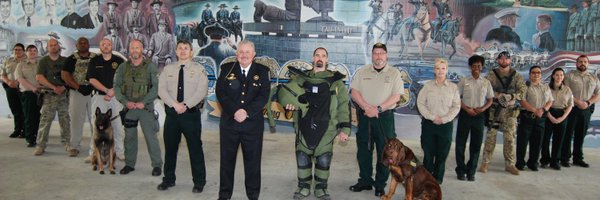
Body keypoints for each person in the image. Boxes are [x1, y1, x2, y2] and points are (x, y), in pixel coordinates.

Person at [278, 47, 350, 200]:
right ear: (312, 58)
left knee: (324, 159)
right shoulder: (300, 79)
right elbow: (287, 97)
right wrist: (288, 106)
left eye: (323, 56)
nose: (320, 58)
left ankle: (321, 188)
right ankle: (303, 187)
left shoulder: (336, 83)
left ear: (327, 60)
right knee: (302, 157)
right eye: (317, 55)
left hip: (327, 129)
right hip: (303, 127)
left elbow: (343, 105)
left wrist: (345, 128)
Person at [215, 40, 270, 200]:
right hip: (229, 124)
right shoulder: (226, 69)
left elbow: (263, 95)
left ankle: (253, 195)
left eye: (247, 52)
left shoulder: (262, 70)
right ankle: (224, 194)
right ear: (236, 54)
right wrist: (234, 111)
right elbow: (221, 92)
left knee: (253, 163)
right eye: (241, 52)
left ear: (253, 55)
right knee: (226, 162)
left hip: (252, 125)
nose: (244, 55)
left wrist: (246, 112)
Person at [349, 43, 404, 197]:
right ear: (372, 55)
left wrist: (378, 109)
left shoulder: (394, 73)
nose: (378, 56)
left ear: (386, 55)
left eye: (381, 53)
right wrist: (367, 107)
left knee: (385, 152)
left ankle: (380, 184)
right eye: (375, 53)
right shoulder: (362, 71)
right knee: (364, 151)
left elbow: (397, 96)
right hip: (365, 116)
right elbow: (354, 92)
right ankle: (365, 181)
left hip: (384, 118)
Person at [156, 40, 209, 193]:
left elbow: (201, 91)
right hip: (172, 115)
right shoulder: (168, 69)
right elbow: (161, 90)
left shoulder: (199, 70)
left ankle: (199, 182)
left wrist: (185, 105)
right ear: (176, 51)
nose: (183, 51)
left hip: (191, 116)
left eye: (186, 48)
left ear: (191, 52)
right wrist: (175, 104)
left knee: (195, 149)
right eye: (180, 48)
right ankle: (168, 179)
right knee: (170, 148)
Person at [113, 39, 163, 176]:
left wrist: (144, 102)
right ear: (129, 50)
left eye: (137, 48)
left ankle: (157, 165)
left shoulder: (150, 67)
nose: (135, 50)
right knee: (129, 137)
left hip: (145, 108)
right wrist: (124, 102)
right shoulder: (123, 67)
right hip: (129, 108)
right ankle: (129, 164)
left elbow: (155, 88)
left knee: (150, 137)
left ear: (142, 50)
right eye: (132, 48)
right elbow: (116, 86)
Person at [479, 51, 526, 175]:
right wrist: (497, 95)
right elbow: (485, 88)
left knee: (510, 139)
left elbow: (522, 91)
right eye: (501, 59)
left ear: (510, 61)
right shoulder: (491, 74)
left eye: (506, 59)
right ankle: (485, 162)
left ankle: (509, 164)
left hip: (510, 112)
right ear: (498, 61)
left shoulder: (516, 76)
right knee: (490, 138)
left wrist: (511, 96)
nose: (504, 61)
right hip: (494, 111)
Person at [416, 58, 460, 184]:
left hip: (445, 125)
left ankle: (437, 180)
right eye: (438, 68)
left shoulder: (453, 87)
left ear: (447, 70)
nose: (440, 71)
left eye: (443, 68)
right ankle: (426, 179)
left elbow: (456, 106)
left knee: (442, 155)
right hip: (429, 124)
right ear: (434, 70)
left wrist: (444, 119)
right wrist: (432, 117)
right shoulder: (427, 86)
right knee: (428, 154)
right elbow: (420, 103)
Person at [454, 55, 494, 181]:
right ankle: (461, 170)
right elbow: (456, 97)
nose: (476, 68)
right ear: (470, 67)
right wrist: (466, 108)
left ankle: (471, 171)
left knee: (476, 145)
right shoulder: (464, 81)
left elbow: (490, 99)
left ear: (482, 67)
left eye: (479, 66)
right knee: (460, 144)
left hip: (479, 116)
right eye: (474, 66)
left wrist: (482, 109)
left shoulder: (486, 82)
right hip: (465, 114)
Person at [86, 38, 125, 163]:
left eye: (108, 44)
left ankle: (119, 152)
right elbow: (91, 79)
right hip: (99, 97)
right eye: (103, 44)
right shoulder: (94, 60)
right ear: (100, 46)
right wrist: (106, 90)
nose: (106, 46)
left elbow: (124, 79)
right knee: (96, 126)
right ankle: (93, 153)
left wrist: (113, 91)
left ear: (112, 46)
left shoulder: (119, 61)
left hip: (115, 97)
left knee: (117, 126)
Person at [34, 38, 70, 156]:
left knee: (65, 120)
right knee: (45, 121)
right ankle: (41, 145)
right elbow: (39, 77)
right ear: (47, 48)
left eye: (55, 45)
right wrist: (54, 87)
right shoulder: (43, 61)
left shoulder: (65, 61)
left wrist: (63, 87)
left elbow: (71, 76)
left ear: (59, 47)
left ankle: (67, 143)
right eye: (51, 45)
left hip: (64, 95)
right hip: (49, 95)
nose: (54, 47)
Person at [562, 55, 600, 168]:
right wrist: (579, 102)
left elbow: (598, 94)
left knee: (581, 134)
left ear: (588, 63)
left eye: (585, 62)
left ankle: (578, 158)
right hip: (572, 108)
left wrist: (588, 103)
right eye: (580, 61)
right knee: (568, 134)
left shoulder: (594, 78)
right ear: (576, 63)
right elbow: (566, 92)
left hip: (586, 110)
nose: (582, 63)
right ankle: (565, 158)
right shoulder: (569, 76)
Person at [61, 37, 97, 157]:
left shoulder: (96, 58)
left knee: (96, 120)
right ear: (76, 46)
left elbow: (102, 74)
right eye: (80, 43)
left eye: (85, 43)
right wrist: (78, 87)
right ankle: (74, 146)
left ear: (88, 45)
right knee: (76, 120)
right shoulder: (71, 59)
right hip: (77, 92)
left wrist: (93, 86)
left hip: (94, 92)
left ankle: (96, 146)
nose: (82, 45)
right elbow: (65, 75)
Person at [515, 66, 553, 172]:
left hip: (540, 118)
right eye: (534, 72)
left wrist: (543, 110)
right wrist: (534, 110)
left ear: (541, 74)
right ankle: (520, 163)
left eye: (538, 73)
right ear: (530, 74)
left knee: (537, 142)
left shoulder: (545, 87)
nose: (536, 74)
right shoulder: (525, 86)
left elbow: (550, 101)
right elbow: (522, 101)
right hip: (527, 117)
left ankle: (533, 163)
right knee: (522, 142)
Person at [540, 68, 572, 170]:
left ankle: (555, 161)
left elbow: (570, 105)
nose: (559, 77)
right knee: (545, 139)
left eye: (561, 75)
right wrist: (550, 116)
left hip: (562, 114)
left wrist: (562, 117)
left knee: (559, 140)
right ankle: (545, 160)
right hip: (548, 113)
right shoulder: (546, 88)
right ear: (553, 76)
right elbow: (544, 103)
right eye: (557, 75)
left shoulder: (567, 89)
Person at [15, 45, 41, 147]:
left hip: (42, 93)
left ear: (37, 52)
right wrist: (33, 88)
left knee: (40, 117)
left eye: (35, 51)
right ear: (26, 52)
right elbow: (20, 79)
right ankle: (30, 139)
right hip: (28, 93)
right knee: (30, 117)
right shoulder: (21, 65)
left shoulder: (42, 64)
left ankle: (39, 137)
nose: (33, 52)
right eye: (30, 51)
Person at [2, 43, 26, 138]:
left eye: (19, 49)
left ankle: (25, 130)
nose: (17, 51)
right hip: (11, 88)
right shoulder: (8, 61)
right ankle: (17, 129)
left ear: (24, 51)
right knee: (15, 110)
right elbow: (2, 75)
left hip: (24, 89)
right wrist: (8, 82)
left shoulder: (28, 61)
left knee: (25, 110)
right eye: (15, 49)